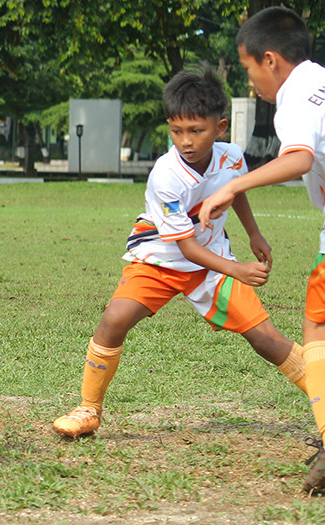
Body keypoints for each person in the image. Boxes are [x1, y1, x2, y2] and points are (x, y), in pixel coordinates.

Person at [53, 66, 308, 441]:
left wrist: (254, 232)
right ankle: (88, 409)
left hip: (211, 263)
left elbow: (235, 190)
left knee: (266, 339)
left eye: (196, 131)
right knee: (113, 319)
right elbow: (184, 246)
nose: (185, 141)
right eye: (176, 131)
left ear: (220, 128)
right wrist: (237, 269)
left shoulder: (232, 156)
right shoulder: (166, 175)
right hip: (160, 260)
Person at [199, 7, 325, 493]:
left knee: (317, 324)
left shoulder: (294, 96)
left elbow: (298, 158)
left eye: (249, 69)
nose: (252, 82)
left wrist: (232, 188)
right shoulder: (319, 80)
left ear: (270, 60)